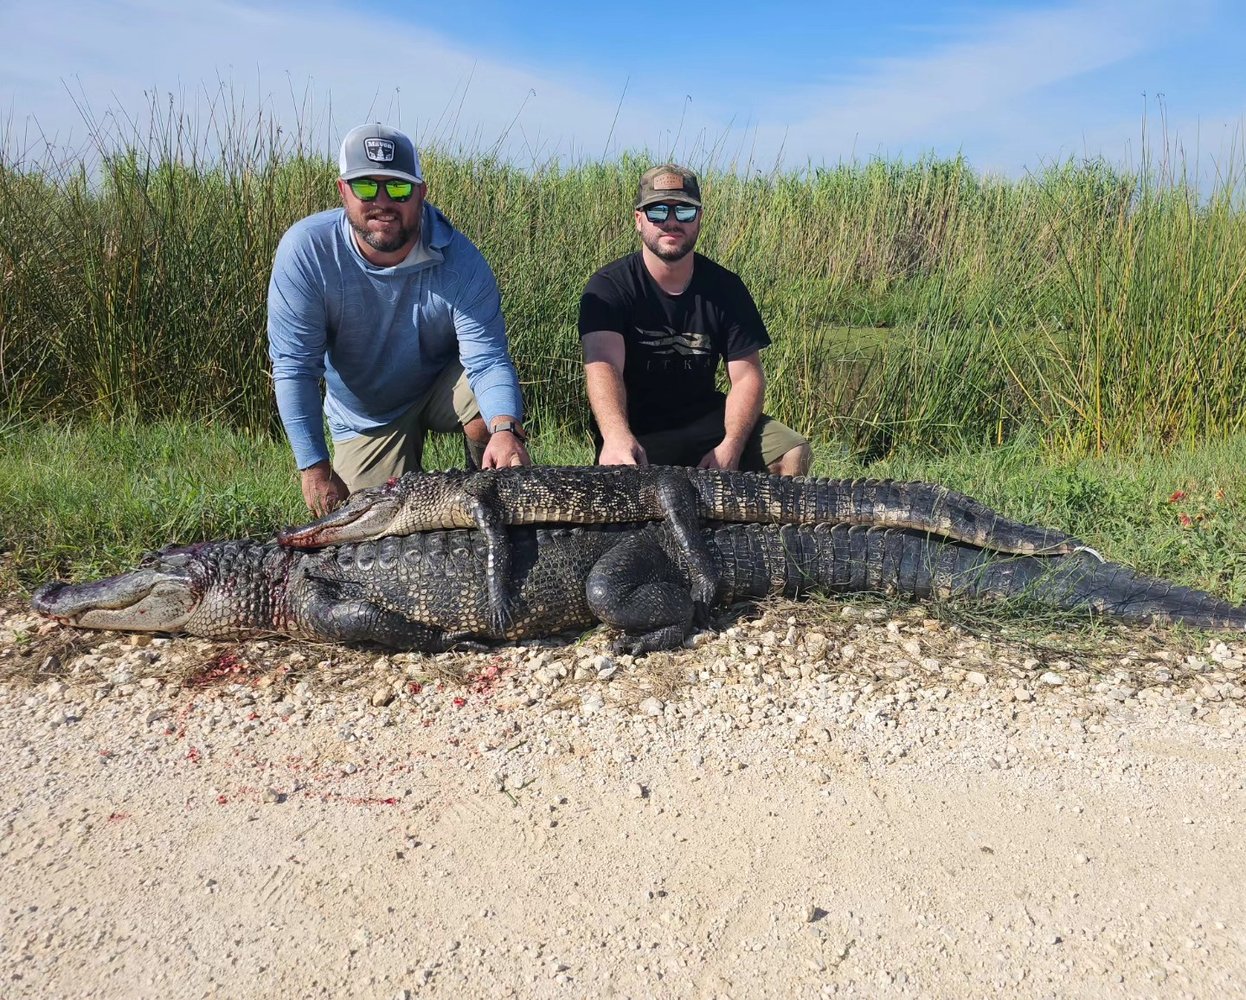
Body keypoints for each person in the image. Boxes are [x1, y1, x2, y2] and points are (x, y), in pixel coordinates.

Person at [268, 122, 530, 515]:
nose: (384, 201)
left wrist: (506, 430)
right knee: (364, 523)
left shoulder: (462, 260)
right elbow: (294, 369)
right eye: (367, 187)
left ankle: (490, 499)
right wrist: (314, 466)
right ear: (343, 190)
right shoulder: (306, 252)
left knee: (488, 414)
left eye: (399, 187)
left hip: (439, 385)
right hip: (366, 412)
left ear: (421, 193)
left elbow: (488, 360)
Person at [577, 163, 811, 475]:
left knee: (793, 451)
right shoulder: (609, 287)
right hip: (639, 430)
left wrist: (731, 445)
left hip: (707, 425)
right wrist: (617, 435)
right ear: (638, 220)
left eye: (684, 212)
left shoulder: (726, 288)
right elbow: (603, 365)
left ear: (699, 219)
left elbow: (747, 377)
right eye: (658, 212)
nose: (671, 222)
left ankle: (766, 526)